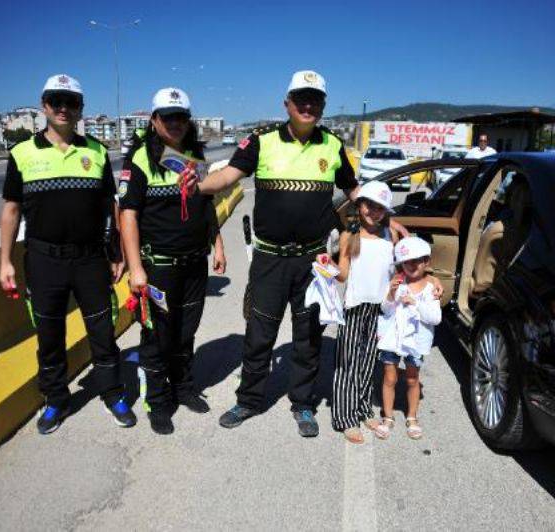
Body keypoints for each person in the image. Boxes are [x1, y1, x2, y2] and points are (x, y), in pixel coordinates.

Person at [182, 70, 410, 437]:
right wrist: (197, 186)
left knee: (308, 336)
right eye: (301, 98)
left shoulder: (333, 146)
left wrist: (389, 222)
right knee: (260, 334)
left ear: (322, 106)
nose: (308, 105)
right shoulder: (262, 141)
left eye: (315, 100)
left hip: (314, 261)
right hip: (270, 259)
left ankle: (303, 404)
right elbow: (226, 178)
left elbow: (355, 192)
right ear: (287, 103)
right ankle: (249, 400)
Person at [0, 74, 134, 434]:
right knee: (49, 336)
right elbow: (11, 211)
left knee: (103, 333)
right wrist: (5, 262)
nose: (63, 108)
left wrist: (116, 252)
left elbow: (112, 205)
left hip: (90, 258)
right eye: (56, 101)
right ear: (44, 105)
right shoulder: (22, 153)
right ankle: (56, 400)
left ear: (80, 109)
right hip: (44, 260)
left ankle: (113, 394)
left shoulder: (97, 151)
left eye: (70, 102)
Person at [119, 88, 227, 435]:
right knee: (157, 338)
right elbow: (128, 216)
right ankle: (158, 401)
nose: (176, 123)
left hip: (194, 264)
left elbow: (205, 205)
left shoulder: (193, 157)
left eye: (181, 117)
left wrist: (218, 243)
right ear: (154, 121)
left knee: (186, 333)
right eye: (168, 117)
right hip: (158, 267)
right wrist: (136, 267)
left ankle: (183, 388)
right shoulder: (139, 160)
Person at [330, 181, 397, 443]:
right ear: (359, 206)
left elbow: (396, 270)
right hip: (354, 307)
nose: (374, 211)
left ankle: (362, 408)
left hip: (379, 309)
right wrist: (327, 266)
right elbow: (343, 273)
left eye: (380, 207)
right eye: (369, 204)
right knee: (348, 363)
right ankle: (345, 417)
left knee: (368, 363)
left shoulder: (389, 236)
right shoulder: (349, 236)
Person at [375, 237, 442, 440]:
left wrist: (415, 303)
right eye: (406, 262)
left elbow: (435, 318)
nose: (411, 266)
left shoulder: (431, 288)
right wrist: (391, 293)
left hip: (416, 343)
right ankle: (387, 417)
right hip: (393, 340)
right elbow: (384, 309)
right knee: (389, 378)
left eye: (417, 261)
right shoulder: (397, 282)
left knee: (412, 379)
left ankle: (412, 416)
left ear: (426, 262)